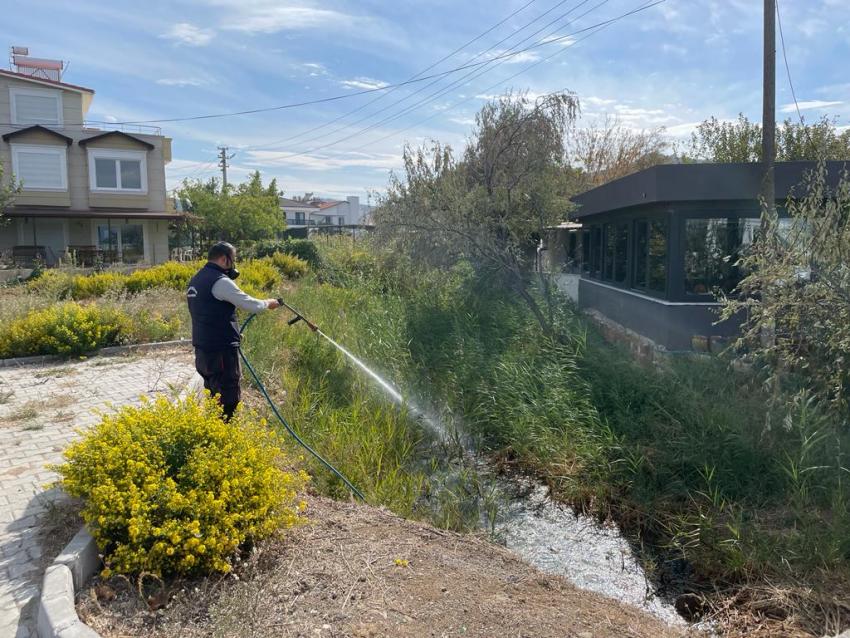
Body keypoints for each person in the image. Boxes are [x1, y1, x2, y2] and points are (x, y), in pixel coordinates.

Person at [187, 242, 280, 419]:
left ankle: (214, 434)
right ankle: (224, 437)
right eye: (233, 259)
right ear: (224, 259)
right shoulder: (220, 282)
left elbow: (208, 313)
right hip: (221, 351)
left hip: (203, 350)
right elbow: (250, 304)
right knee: (227, 398)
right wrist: (268, 303)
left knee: (214, 394)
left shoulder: (197, 279)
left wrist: (232, 332)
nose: (234, 264)